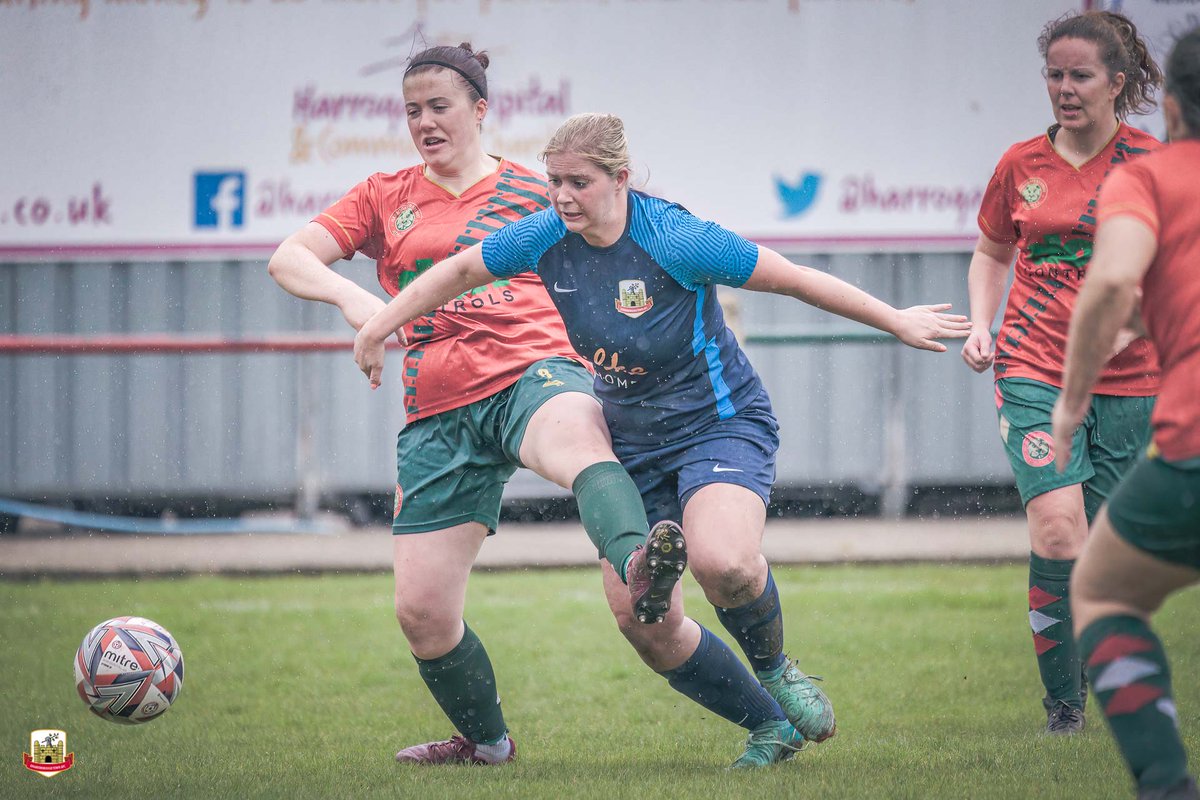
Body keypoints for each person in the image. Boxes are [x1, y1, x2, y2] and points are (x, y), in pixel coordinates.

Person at [353, 112, 971, 767]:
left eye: (579, 183)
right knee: (643, 624)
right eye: (554, 180)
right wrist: (378, 328)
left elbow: (793, 277)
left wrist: (893, 319)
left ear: (620, 178)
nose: (561, 196)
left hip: (718, 423)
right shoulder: (543, 235)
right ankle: (772, 727)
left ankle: (777, 670)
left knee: (724, 562)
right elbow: (454, 274)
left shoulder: (674, 237)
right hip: (632, 443)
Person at [268, 44, 687, 767]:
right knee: (423, 614)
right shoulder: (383, 195)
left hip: (533, 372)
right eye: (411, 111)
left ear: (480, 110)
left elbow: (626, 245)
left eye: (440, 106)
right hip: (437, 406)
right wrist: (359, 301)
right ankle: (488, 747)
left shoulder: (537, 192)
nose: (424, 122)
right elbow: (289, 257)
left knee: (579, 447)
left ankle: (639, 566)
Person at [960, 10, 1163, 735]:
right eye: (1055, 75)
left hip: (1132, 379)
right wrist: (982, 325)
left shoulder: (1152, 164)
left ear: (1118, 81)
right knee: (1056, 531)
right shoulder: (1021, 164)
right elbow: (991, 253)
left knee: (1104, 550)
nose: (1065, 89)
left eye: (1080, 76)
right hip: (1033, 366)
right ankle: (1063, 710)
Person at [1051, 27, 1200, 800]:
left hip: (1190, 449)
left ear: (1169, 106)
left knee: (1105, 592)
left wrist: (1071, 404)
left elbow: (1110, 287)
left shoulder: (1151, 176)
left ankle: (1167, 784)